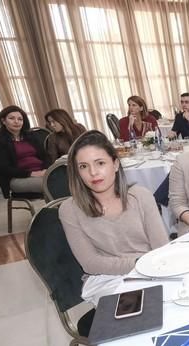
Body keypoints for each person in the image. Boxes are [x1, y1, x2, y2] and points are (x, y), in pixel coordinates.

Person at [58, 130, 168, 305]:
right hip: (106, 280)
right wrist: (140, 263)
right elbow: (90, 263)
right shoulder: (70, 210)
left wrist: (151, 268)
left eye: (100, 163)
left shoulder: (140, 196)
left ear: (115, 164)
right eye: (83, 166)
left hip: (153, 269)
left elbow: (162, 248)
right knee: (143, 312)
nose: (93, 172)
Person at [0, 105, 49, 196]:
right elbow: (4, 169)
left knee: (71, 179)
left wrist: (46, 170)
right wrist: (32, 173)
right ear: (3, 121)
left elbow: (45, 157)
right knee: (53, 184)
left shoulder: (31, 137)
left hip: (42, 173)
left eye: (20, 119)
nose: (16, 122)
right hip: (16, 179)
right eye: (12, 118)